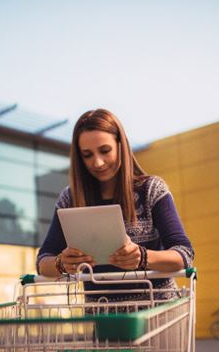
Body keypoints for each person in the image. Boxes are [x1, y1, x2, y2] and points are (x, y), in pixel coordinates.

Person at [36, 108, 193, 304]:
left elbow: (184, 253)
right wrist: (62, 263)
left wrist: (143, 257)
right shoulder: (71, 198)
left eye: (104, 150)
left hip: (156, 313)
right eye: (87, 155)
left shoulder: (151, 190)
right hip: (103, 318)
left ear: (121, 145)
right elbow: (43, 261)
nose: (98, 162)